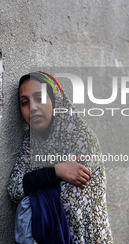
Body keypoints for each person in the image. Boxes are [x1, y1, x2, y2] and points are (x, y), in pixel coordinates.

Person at [8, 72, 113, 244]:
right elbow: (14, 189)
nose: (33, 107)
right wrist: (56, 171)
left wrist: (35, 180)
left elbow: (67, 203)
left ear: (55, 99)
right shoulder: (31, 140)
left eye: (39, 98)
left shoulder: (81, 138)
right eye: (25, 102)